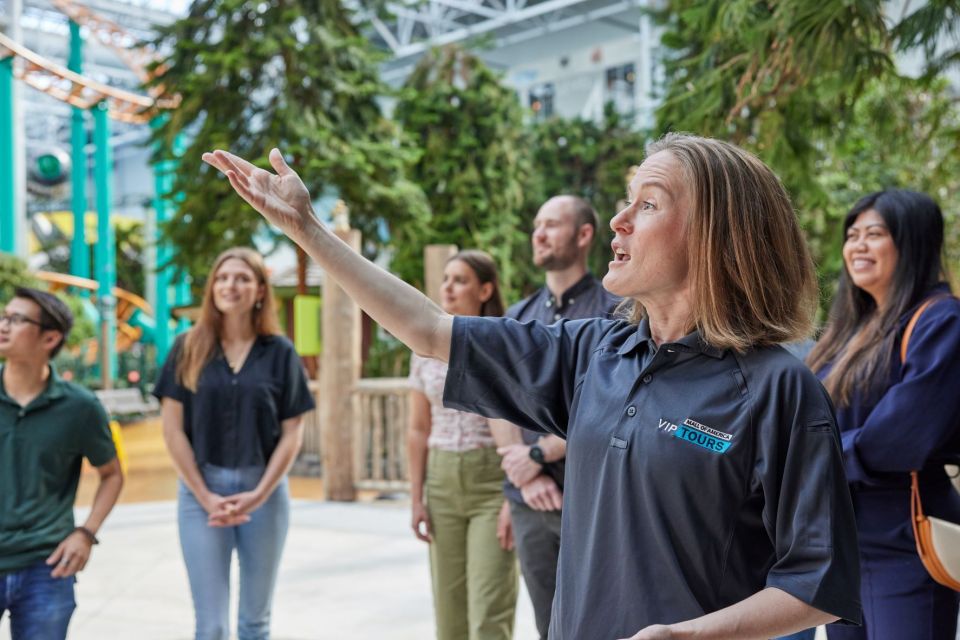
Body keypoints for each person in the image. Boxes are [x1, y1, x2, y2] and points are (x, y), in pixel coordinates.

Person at [203, 132, 861, 639]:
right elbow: (433, 330)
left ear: (717, 234)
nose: (618, 221)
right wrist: (307, 230)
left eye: (648, 204)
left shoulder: (779, 389)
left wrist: (691, 635)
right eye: (625, 201)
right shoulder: (595, 351)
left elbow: (815, 583)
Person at [806, 190, 960, 640]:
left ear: (912, 243)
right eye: (852, 235)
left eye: (875, 234)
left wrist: (813, 456)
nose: (858, 246)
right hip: (842, 539)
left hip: (902, 536)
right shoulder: (849, 330)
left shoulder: (941, 321)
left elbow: (900, 437)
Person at [153, 247, 315, 640]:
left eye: (242, 278)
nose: (231, 285)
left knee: (255, 623)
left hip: (265, 491)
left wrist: (259, 494)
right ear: (212, 289)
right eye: (223, 278)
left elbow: (293, 430)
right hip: (200, 492)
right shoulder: (187, 347)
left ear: (260, 290)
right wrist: (205, 495)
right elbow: (172, 430)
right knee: (210, 626)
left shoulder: (280, 353)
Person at [490, 194, 618, 640]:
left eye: (552, 225)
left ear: (584, 235)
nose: (538, 234)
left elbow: (612, 404)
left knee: (603, 624)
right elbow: (497, 401)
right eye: (536, 225)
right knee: (548, 627)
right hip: (530, 501)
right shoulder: (518, 317)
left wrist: (540, 453)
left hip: (593, 498)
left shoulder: (617, 313)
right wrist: (523, 471)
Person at [0, 287, 123, 639]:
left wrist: (86, 533)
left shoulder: (80, 408)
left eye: (16, 319)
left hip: (46, 566)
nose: (3, 325)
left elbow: (112, 474)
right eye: (4, 315)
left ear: (50, 337)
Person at [408, 249, 518, 640]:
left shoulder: (504, 343)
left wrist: (512, 496)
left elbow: (515, 422)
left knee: (489, 614)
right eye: (446, 279)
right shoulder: (422, 346)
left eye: (461, 280)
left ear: (485, 289)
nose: (448, 287)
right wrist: (417, 496)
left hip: (491, 481)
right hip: (441, 480)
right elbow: (418, 428)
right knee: (449, 616)